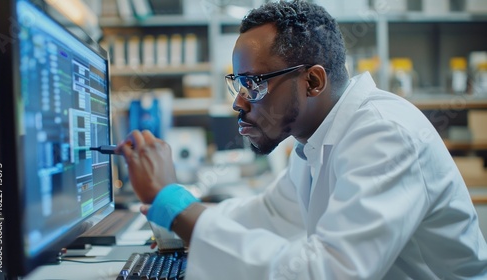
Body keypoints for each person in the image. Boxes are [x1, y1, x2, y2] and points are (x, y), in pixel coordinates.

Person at [116, 1, 487, 279]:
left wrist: (174, 203)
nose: (238, 102)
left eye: (254, 83)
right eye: (238, 83)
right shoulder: (315, 141)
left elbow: (329, 271)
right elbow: (268, 216)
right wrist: (168, 217)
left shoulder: (383, 134)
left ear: (313, 82)